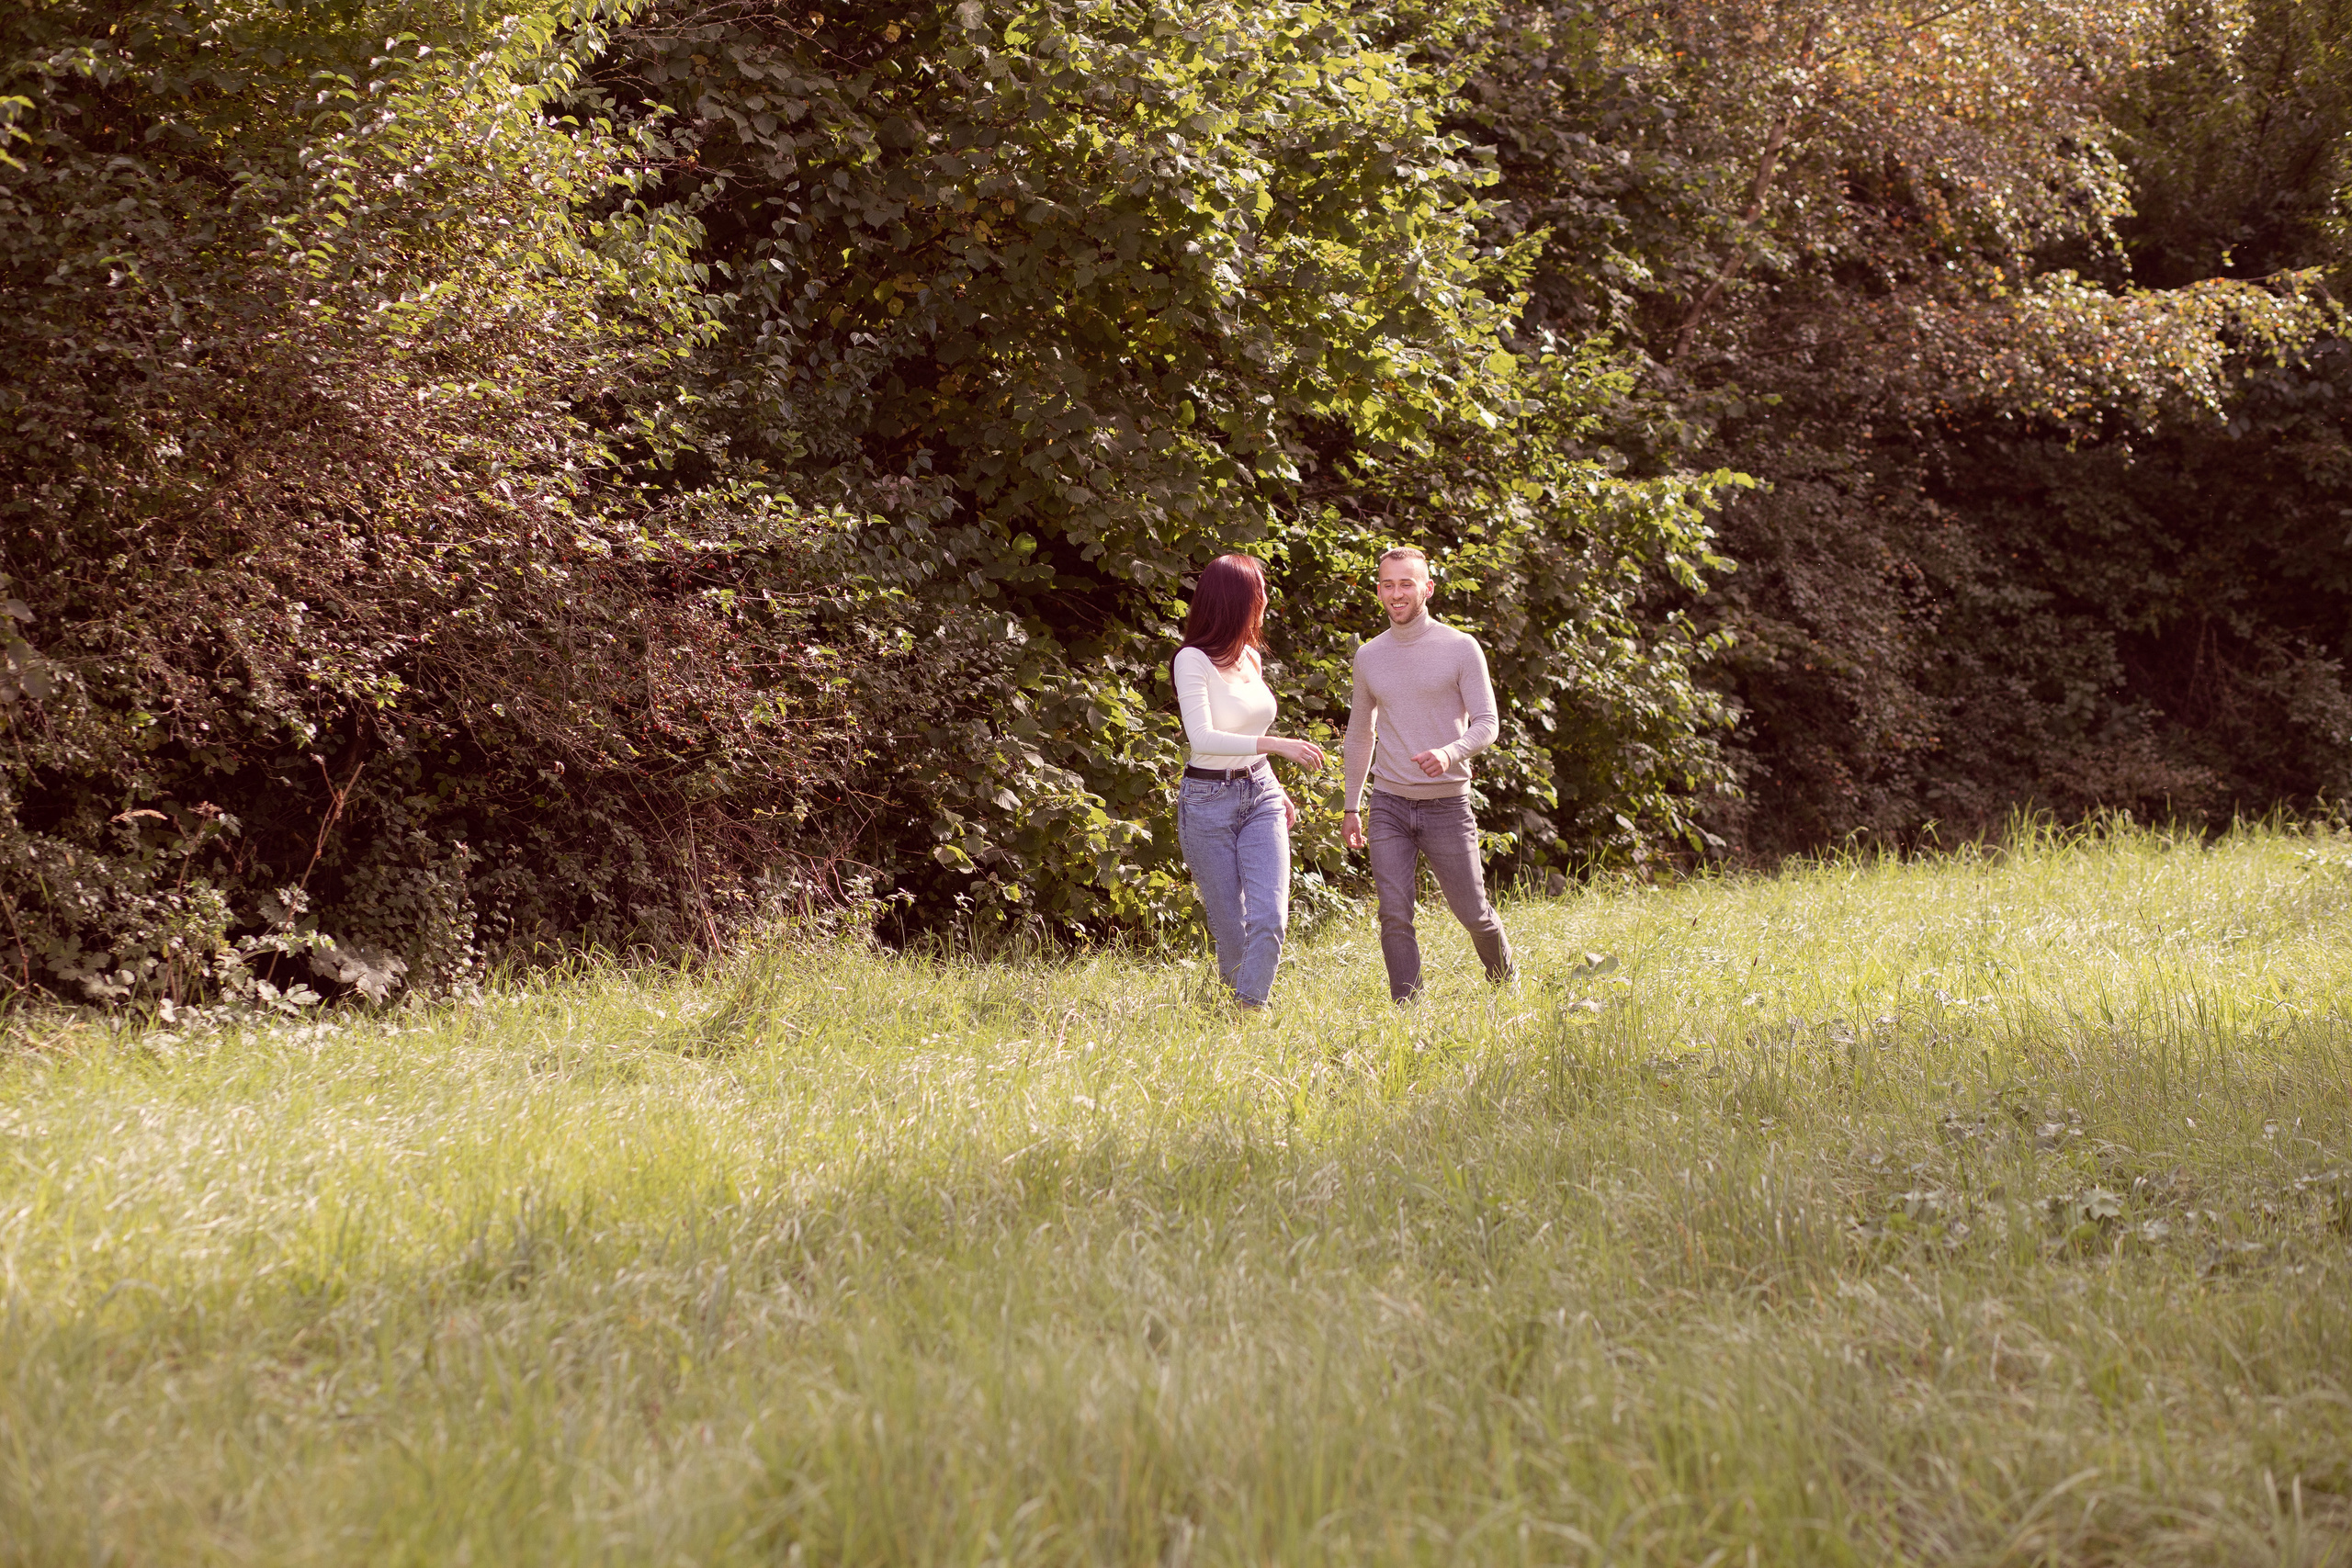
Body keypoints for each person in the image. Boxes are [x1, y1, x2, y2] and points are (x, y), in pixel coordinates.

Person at [1340, 546, 1514, 1001]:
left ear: (1427, 588)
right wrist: (1352, 805)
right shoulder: (1369, 656)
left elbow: (1488, 723)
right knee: (1394, 913)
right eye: (1387, 584)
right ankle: (1408, 1011)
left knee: (1473, 912)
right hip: (1388, 805)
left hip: (1446, 805)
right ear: (1378, 589)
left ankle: (1505, 984)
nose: (1396, 593)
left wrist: (1450, 752)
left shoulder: (1460, 647)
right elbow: (1361, 733)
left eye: (1406, 583)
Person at [1171, 554, 1326, 1010]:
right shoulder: (1192, 660)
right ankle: (1232, 1012)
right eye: (1259, 592)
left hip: (1260, 793)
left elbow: (1244, 739)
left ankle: (1246, 1013)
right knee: (1231, 928)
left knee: (1271, 917)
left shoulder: (1252, 658)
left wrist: (1275, 788)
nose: (1265, 600)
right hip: (1207, 800)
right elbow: (1202, 738)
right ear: (1237, 599)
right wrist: (1277, 745)